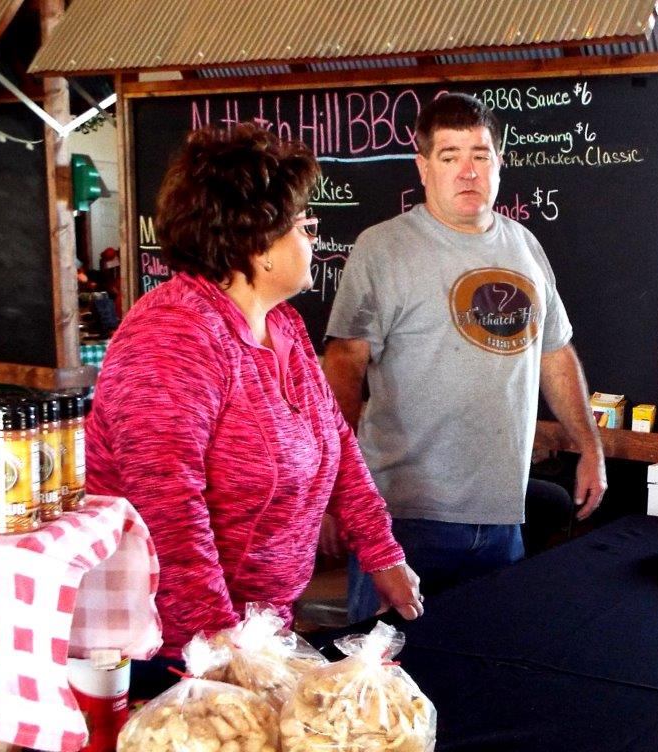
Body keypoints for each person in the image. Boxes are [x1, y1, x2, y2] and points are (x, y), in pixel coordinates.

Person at [85, 124, 422, 677]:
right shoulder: (171, 337)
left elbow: (336, 443)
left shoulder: (282, 325)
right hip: (168, 650)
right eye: (304, 226)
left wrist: (381, 552)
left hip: (258, 632)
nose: (313, 240)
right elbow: (168, 514)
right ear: (259, 245)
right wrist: (222, 648)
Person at [322, 93, 607, 622]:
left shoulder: (525, 245)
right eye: (450, 155)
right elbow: (343, 365)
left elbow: (555, 352)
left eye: (480, 154)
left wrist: (589, 446)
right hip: (402, 518)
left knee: (489, 660)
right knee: (385, 666)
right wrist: (335, 489)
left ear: (499, 162)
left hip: (503, 515)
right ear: (423, 167)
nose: (467, 171)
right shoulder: (383, 248)